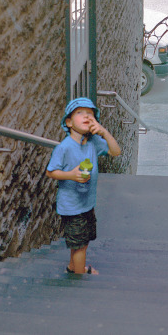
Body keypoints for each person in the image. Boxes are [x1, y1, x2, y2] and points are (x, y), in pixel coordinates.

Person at [46, 97, 121, 274]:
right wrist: (71, 175)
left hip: (87, 203)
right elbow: (51, 172)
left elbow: (115, 151)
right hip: (72, 206)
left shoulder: (93, 142)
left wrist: (103, 132)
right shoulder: (64, 147)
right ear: (69, 122)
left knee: (82, 241)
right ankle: (79, 276)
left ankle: (73, 266)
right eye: (80, 113)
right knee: (80, 246)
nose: (87, 116)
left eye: (90, 114)